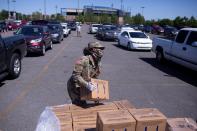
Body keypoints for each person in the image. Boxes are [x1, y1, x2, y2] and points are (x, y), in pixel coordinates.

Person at [67, 42, 105, 106]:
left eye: (102, 49)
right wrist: (87, 85)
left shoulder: (98, 62)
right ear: (93, 50)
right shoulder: (83, 60)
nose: (101, 51)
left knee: (91, 104)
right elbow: (75, 76)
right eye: (99, 49)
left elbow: (95, 76)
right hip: (75, 86)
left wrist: (97, 94)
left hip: (85, 84)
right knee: (79, 105)